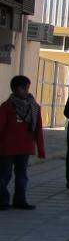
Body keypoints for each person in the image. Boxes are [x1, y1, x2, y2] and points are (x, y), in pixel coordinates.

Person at [0, 75, 46, 211]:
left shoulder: (34, 107)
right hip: (7, 147)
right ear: (14, 89)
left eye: (27, 88)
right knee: (4, 175)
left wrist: (41, 148)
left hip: (25, 146)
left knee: (22, 175)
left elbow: (38, 129)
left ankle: (20, 200)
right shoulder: (7, 107)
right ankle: (2, 200)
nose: (26, 91)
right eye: (23, 88)